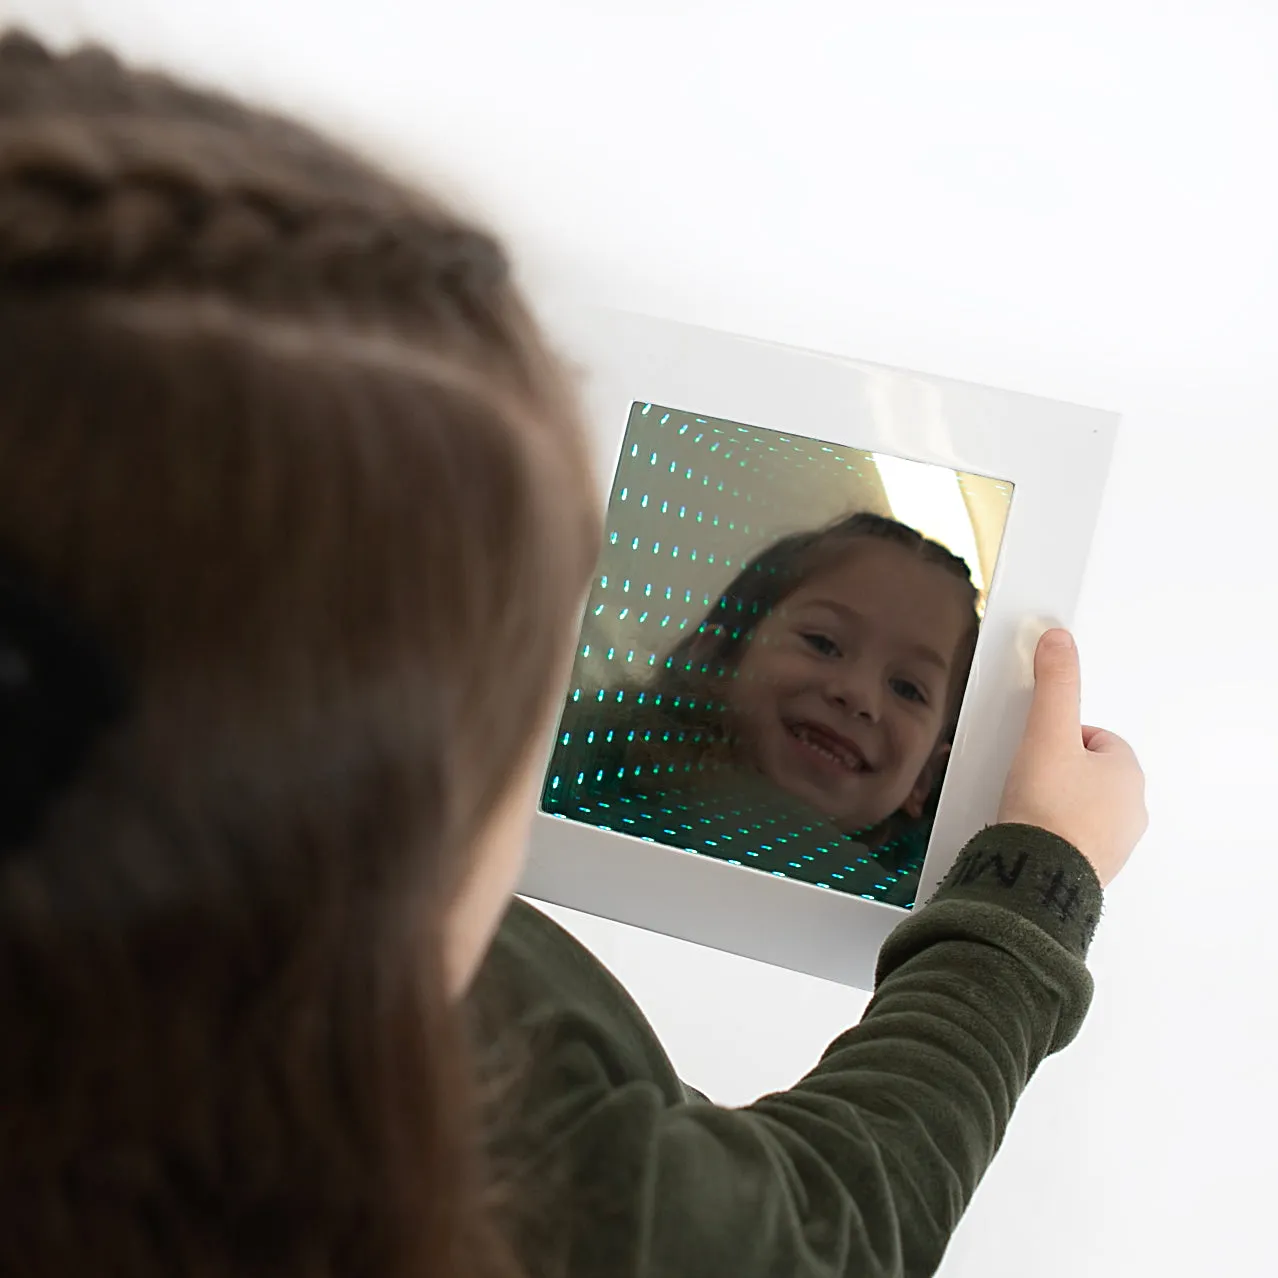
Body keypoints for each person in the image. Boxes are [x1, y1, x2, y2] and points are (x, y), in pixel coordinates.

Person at [0, 29, 1148, 1278]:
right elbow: (814, 1238)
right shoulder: (433, 1084)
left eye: (912, 687)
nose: (853, 692)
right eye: (521, 672)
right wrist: (1034, 886)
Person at [543, 513, 981, 905]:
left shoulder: (931, 917)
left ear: (924, 778)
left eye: (907, 689)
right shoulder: (573, 764)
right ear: (715, 660)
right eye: (822, 643)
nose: (858, 695)